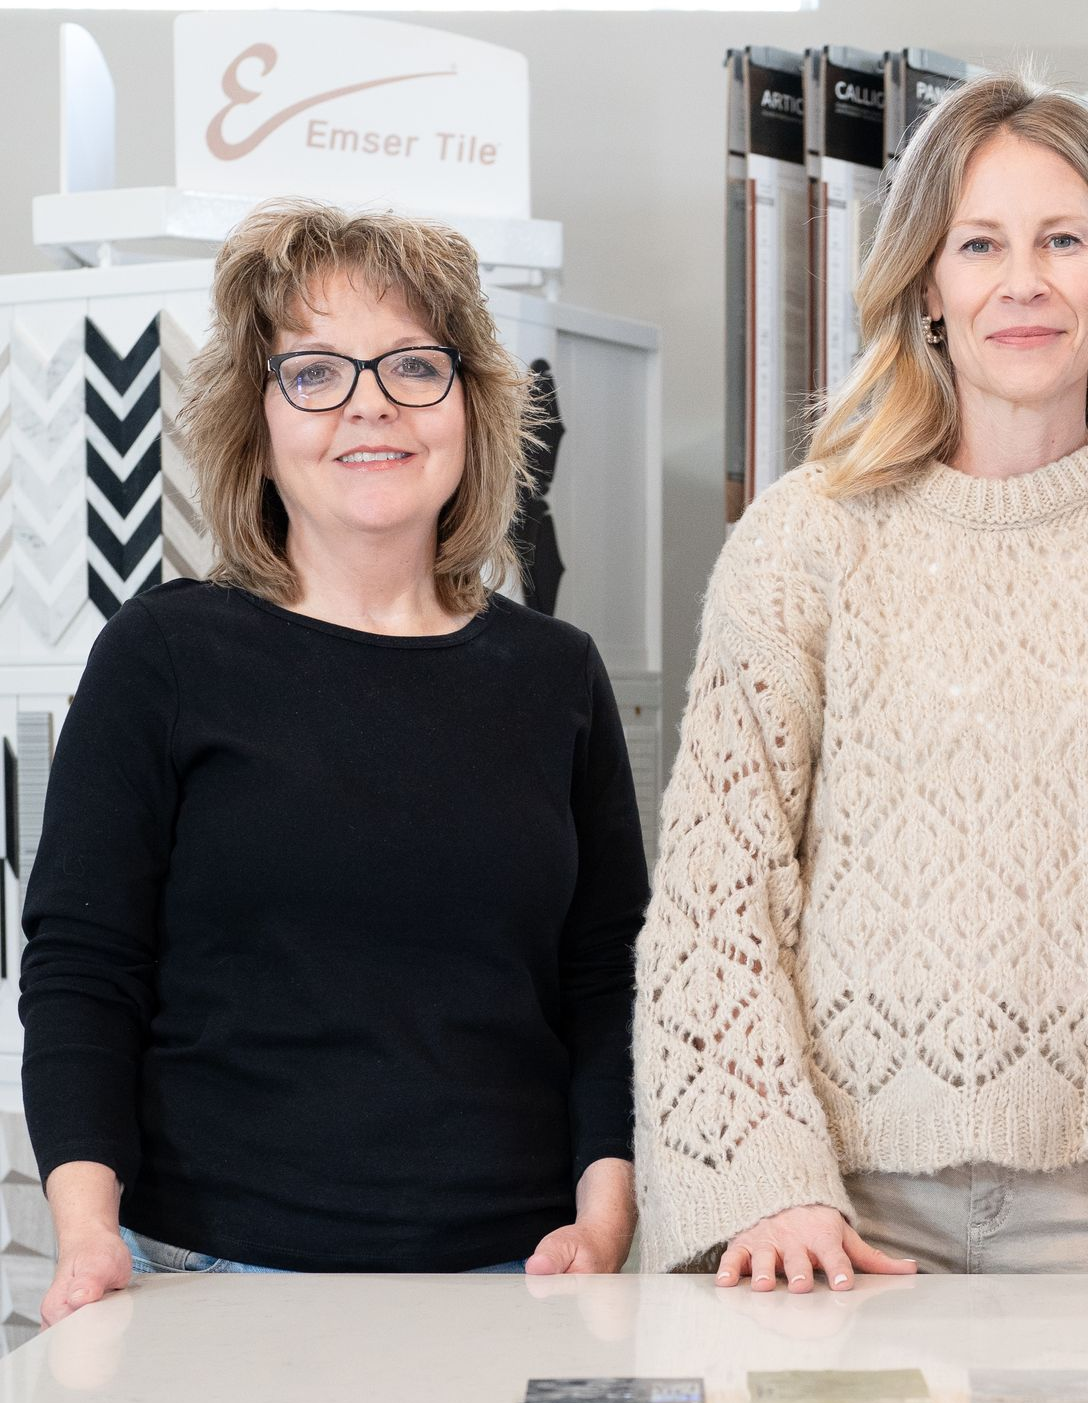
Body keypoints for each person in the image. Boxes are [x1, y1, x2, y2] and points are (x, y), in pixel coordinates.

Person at [632, 71, 1088, 1290]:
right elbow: (718, 897)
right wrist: (770, 1184)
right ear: (928, 281)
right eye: (980, 243)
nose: (1022, 282)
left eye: (1061, 240)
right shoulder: (807, 539)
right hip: (845, 1217)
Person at [25, 201, 648, 1325]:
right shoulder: (165, 654)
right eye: (314, 372)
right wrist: (87, 1234)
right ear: (257, 423)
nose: (371, 402)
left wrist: (605, 1216)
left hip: (518, 1279)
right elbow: (83, 968)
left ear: (468, 409)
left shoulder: (558, 674)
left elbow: (612, 978)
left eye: (414, 364)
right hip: (216, 1282)